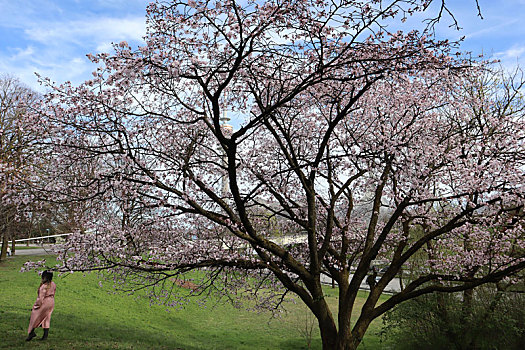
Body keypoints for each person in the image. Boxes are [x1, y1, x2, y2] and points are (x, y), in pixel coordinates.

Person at [26, 270, 56, 341]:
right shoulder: (53, 284)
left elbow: (40, 298)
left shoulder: (44, 286)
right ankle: (45, 335)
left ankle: (31, 332)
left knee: (35, 316)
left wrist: (36, 305)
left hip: (45, 302)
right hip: (51, 301)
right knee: (47, 317)